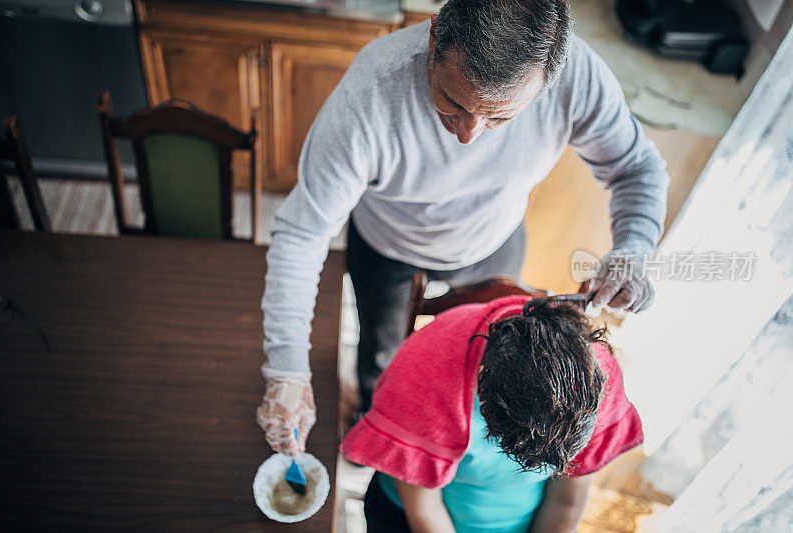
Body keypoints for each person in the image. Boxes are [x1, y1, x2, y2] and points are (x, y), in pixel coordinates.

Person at [257, 0, 668, 458]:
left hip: (494, 243)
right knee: (381, 360)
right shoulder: (371, 91)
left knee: (483, 369)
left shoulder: (578, 76)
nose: (468, 135)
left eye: (498, 117)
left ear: (547, 84)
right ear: (435, 38)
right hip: (386, 245)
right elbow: (302, 233)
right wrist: (287, 371)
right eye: (452, 102)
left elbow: (635, 167)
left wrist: (634, 246)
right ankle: (378, 430)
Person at [341, 295, 644, 532]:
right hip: (412, 517)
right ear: (484, 392)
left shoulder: (596, 378)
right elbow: (424, 511)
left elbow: (566, 502)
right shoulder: (425, 376)